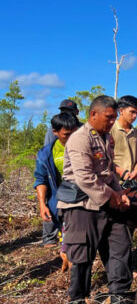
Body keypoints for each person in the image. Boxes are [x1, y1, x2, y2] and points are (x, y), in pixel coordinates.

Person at [56, 95, 136, 304]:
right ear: (93, 114)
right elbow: (85, 177)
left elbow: (108, 172)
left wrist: (119, 193)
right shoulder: (79, 139)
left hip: (107, 201)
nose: (112, 122)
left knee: (120, 248)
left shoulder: (106, 138)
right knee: (82, 254)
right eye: (108, 118)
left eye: (113, 118)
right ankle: (77, 302)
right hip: (81, 204)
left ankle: (119, 299)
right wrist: (113, 197)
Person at [33, 113, 79, 271]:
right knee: (66, 236)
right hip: (59, 203)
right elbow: (41, 179)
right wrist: (42, 205)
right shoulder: (46, 154)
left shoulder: (85, 147)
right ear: (55, 132)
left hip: (83, 202)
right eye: (66, 134)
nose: (71, 137)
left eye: (74, 132)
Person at [110, 95, 137, 182]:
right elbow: (103, 159)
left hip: (131, 182)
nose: (135, 116)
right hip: (112, 183)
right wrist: (120, 171)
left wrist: (136, 170)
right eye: (132, 112)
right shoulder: (110, 130)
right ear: (121, 111)